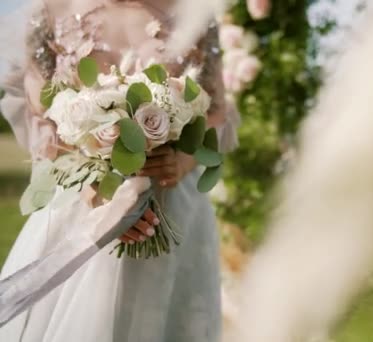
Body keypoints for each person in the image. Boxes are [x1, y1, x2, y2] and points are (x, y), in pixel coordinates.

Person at [0, 0, 235, 340]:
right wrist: (92, 184)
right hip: (82, 198)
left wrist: (182, 162)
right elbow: (42, 114)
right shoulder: (51, 10)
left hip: (172, 202)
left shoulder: (194, 13)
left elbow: (216, 110)